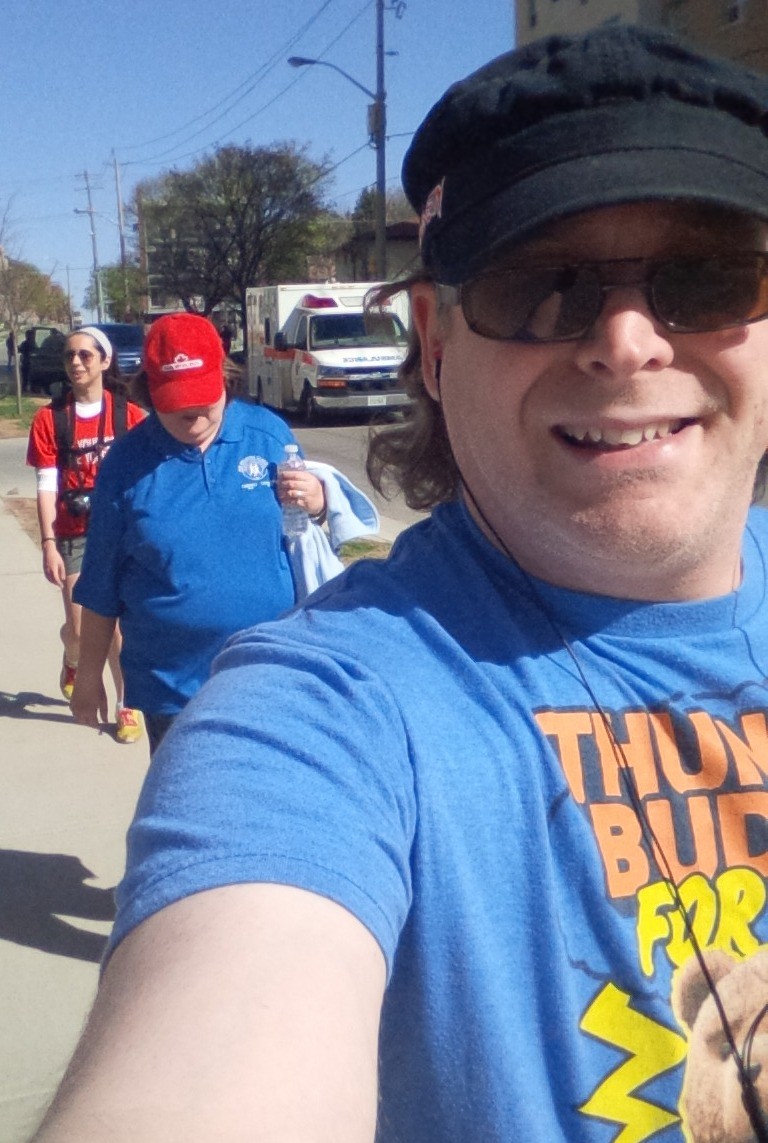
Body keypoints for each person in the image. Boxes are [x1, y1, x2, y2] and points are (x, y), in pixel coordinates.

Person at [32, 26, 768, 1143]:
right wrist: (92, 664)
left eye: (706, 279)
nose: (627, 343)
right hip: (179, 683)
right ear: (434, 340)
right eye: (540, 285)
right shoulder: (317, 718)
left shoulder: (266, 431)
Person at [68, 312, 326, 756]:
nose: (194, 416)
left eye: (204, 399)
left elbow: (303, 536)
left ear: (223, 377)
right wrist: (89, 675)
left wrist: (317, 502)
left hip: (272, 676)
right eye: (177, 404)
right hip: (174, 690)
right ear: (150, 390)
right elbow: (100, 585)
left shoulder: (268, 435)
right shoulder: (125, 465)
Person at [26, 326, 145, 746]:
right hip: (73, 533)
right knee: (80, 627)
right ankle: (72, 653)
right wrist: (48, 543)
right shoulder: (51, 419)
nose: (75, 363)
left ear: (105, 361)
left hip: (120, 532)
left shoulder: (129, 415)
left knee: (117, 630)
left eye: (85, 355)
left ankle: (126, 704)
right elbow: (46, 485)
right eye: (69, 356)